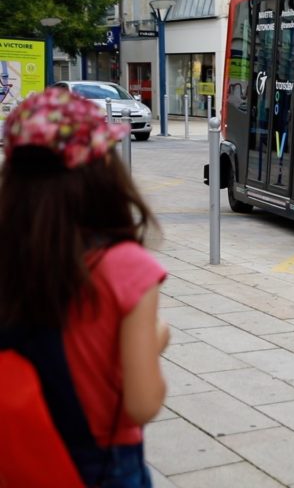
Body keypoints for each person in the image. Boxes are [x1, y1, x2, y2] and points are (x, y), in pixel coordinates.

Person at [0, 88, 169, 487]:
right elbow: (143, 403)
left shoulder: (9, 257)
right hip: (103, 464)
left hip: (19, 450)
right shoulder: (127, 267)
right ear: (102, 171)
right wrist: (155, 340)